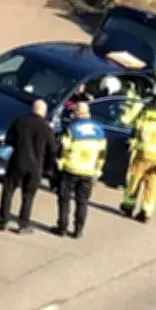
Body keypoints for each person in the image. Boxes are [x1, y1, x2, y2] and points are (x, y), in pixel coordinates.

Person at [0, 100, 57, 234]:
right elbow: (53, 150)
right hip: (35, 167)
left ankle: (2, 221)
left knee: (8, 192)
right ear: (44, 112)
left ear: (32, 109)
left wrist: (18, 145)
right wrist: (47, 168)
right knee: (28, 196)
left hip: (17, 162)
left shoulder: (19, 121)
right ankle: (23, 224)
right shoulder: (47, 129)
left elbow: (8, 139)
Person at [119, 81, 156, 223]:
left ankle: (128, 206)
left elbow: (133, 125)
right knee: (152, 185)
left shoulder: (146, 109)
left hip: (142, 152)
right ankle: (145, 212)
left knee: (134, 179)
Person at [50, 102, 107, 239]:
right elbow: (102, 153)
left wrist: (59, 165)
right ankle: (78, 230)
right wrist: (97, 169)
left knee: (64, 199)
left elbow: (62, 149)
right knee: (82, 202)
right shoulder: (99, 130)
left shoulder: (72, 129)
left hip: (71, 169)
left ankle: (62, 227)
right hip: (88, 171)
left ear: (77, 114)